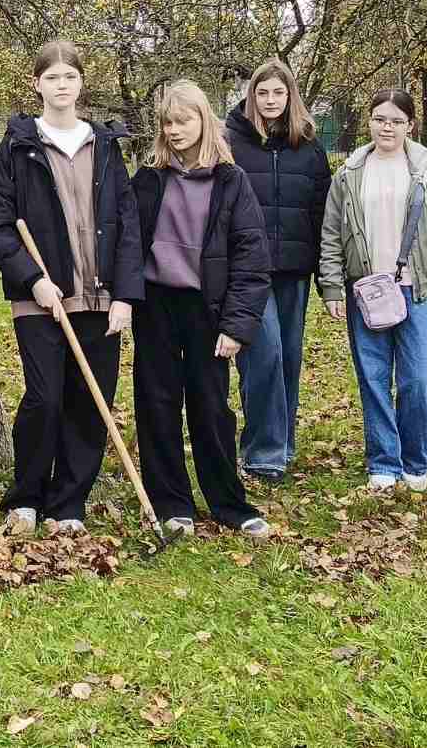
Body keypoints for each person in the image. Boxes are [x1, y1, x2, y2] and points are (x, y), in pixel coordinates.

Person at [0, 41, 142, 535]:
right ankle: (27, 498)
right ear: (37, 84)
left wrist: (125, 295)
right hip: (41, 299)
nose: (61, 85)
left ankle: (68, 503)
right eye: (51, 77)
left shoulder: (106, 145)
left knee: (90, 403)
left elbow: (127, 221)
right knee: (44, 397)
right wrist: (33, 280)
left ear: (80, 84)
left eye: (69, 77)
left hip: (100, 296)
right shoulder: (17, 147)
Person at [130, 80, 272, 538]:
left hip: (206, 308)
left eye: (183, 121)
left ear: (204, 122)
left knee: (211, 406)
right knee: (157, 403)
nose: (174, 130)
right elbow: (126, 242)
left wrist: (236, 325)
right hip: (155, 305)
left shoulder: (232, 182)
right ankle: (172, 503)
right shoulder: (149, 180)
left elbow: (251, 258)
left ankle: (228, 503)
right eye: (167, 123)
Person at [320, 89, 427, 494]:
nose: (387, 127)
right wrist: (332, 287)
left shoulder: (426, 172)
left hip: (414, 288)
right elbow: (331, 232)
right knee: (373, 377)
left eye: (396, 121)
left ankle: (416, 459)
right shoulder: (348, 174)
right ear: (369, 122)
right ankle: (383, 460)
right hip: (366, 289)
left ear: (410, 126)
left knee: (418, 378)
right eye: (380, 119)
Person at [224, 59, 332, 481]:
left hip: (294, 269)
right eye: (263, 92)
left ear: (291, 97)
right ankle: (261, 452)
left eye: (278, 93)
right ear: (252, 95)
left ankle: (283, 444)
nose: (270, 101)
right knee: (261, 355)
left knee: (287, 356)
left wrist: (327, 278)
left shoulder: (309, 147)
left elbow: (324, 213)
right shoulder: (230, 142)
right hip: (247, 271)